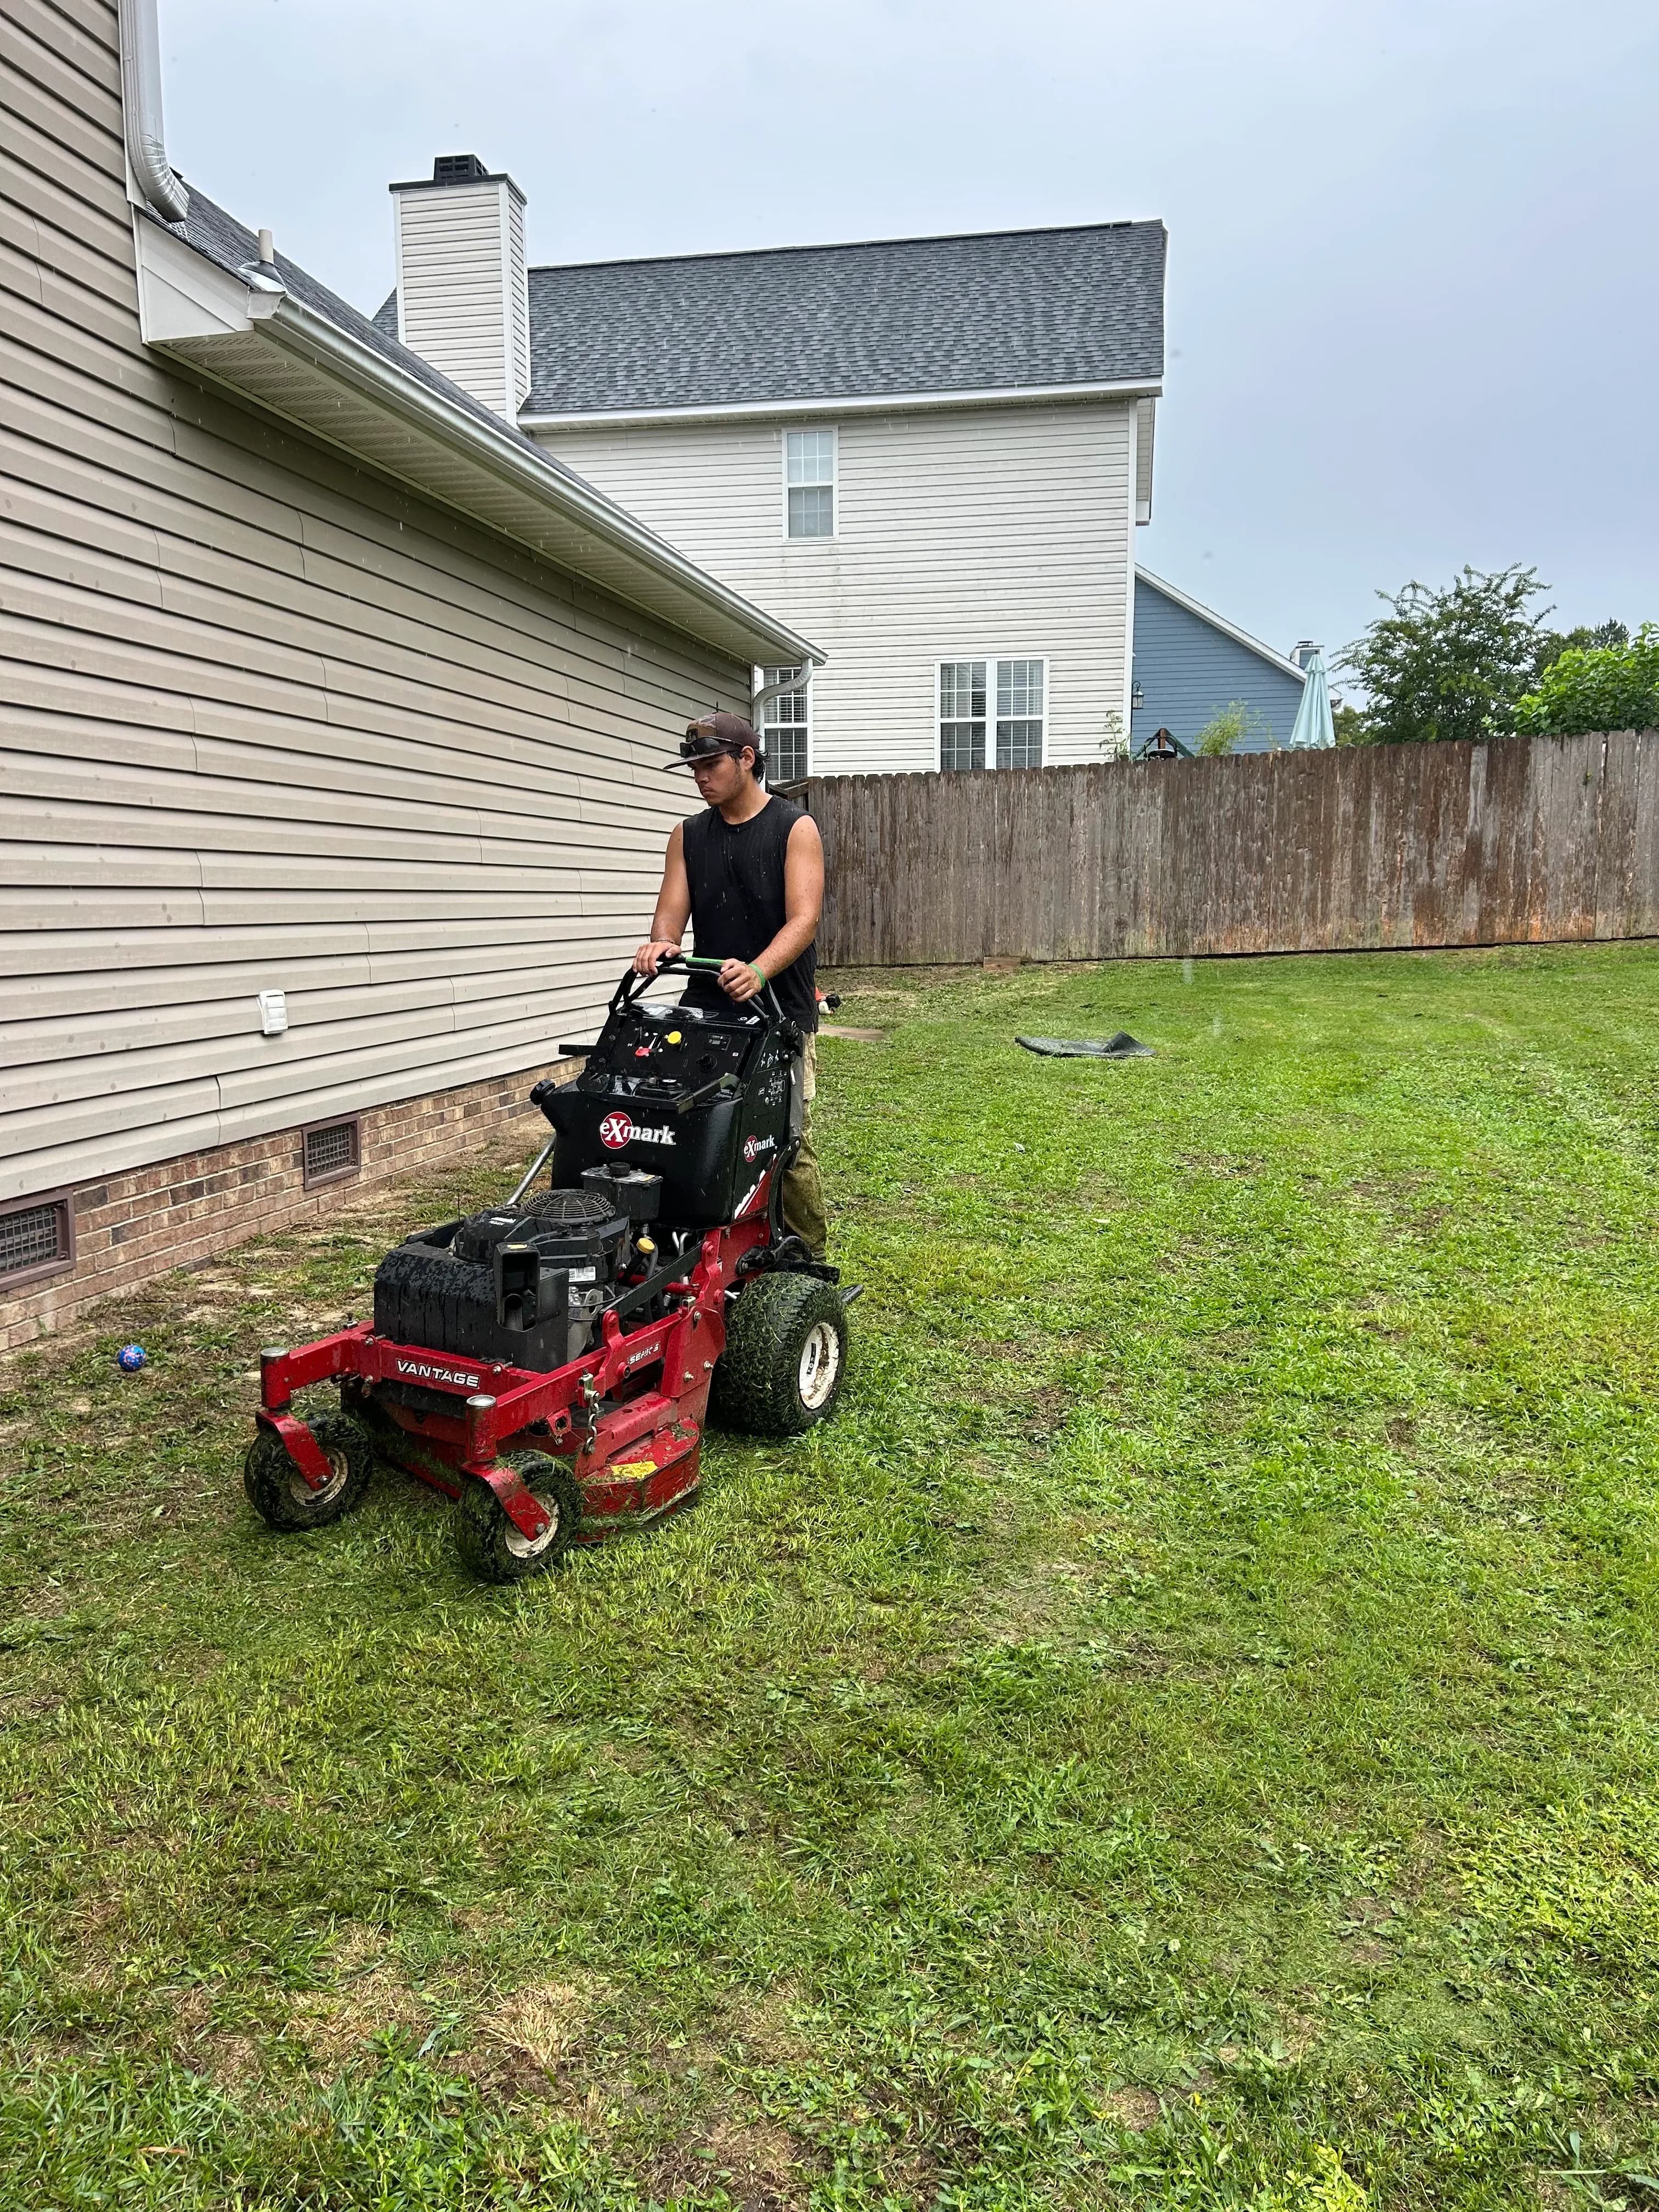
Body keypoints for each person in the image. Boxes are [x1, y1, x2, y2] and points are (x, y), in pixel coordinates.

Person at [633, 712, 829, 1258]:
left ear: (747, 759)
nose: (701, 776)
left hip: (778, 1013)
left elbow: (804, 919)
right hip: (705, 1015)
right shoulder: (688, 836)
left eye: (711, 763)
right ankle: (707, 1245)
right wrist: (662, 944)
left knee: (784, 1138)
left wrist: (760, 969)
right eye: (694, 767)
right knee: (699, 1127)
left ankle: (806, 1257)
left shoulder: (793, 828)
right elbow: (669, 916)